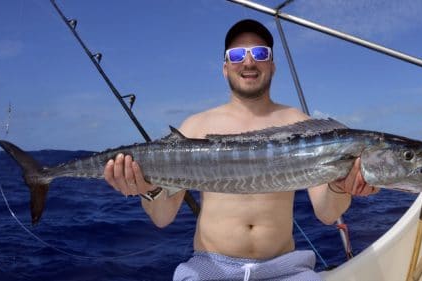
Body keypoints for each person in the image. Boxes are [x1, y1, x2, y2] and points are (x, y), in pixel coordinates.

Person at [104, 19, 378, 281]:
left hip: (285, 270)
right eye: (237, 55)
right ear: (225, 67)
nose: (248, 62)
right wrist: (147, 190)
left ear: (272, 65)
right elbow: (163, 217)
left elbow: (328, 214)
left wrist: (342, 187)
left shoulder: (304, 126)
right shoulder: (195, 126)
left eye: (259, 53)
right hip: (211, 269)